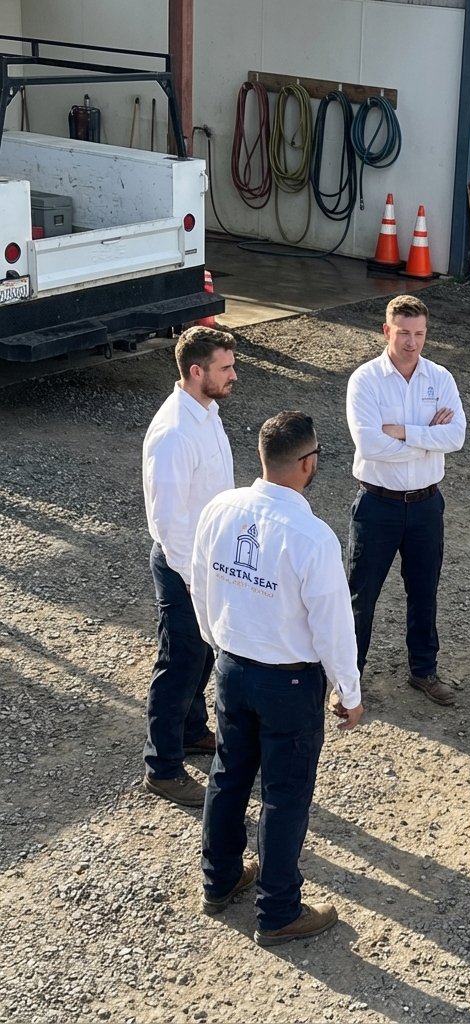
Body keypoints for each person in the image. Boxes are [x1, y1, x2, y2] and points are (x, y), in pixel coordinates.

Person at [191, 411, 364, 947]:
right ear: (308, 464)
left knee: (228, 775)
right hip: (288, 684)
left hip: (232, 667)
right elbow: (333, 624)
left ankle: (218, 882)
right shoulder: (312, 537)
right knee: (285, 795)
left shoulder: (220, 508)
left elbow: (199, 581)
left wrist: (218, 642)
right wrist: (349, 693)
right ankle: (278, 910)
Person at [345, 295, 466, 706]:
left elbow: (457, 437)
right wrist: (428, 440)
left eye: (419, 334)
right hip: (377, 505)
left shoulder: (440, 378)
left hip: (427, 506)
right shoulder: (365, 380)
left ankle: (423, 672)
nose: (411, 342)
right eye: (403, 333)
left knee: (424, 591)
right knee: (361, 595)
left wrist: (404, 432)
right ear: (386, 331)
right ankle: (348, 682)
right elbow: (370, 444)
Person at [141, 326, 237, 808]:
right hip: (184, 567)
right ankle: (162, 767)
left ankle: (192, 730)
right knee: (179, 664)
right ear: (196, 372)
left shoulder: (206, 411)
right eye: (225, 368)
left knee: (201, 655)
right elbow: (168, 519)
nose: (233, 375)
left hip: (207, 561)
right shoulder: (175, 432)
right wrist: (194, 578)